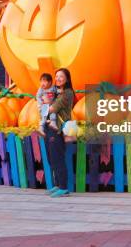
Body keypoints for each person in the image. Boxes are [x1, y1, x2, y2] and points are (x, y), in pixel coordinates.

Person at [45, 68, 75, 198]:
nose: (58, 78)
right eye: (56, 76)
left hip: (58, 130)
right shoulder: (58, 93)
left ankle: (63, 187)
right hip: (50, 128)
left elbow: (52, 109)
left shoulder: (67, 93)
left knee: (58, 158)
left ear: (67, 79)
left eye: (61, 76)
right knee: (52, 158)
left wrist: (45, 103)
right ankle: (57, 184)